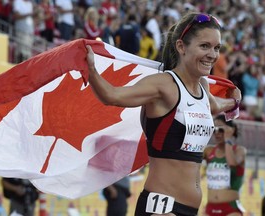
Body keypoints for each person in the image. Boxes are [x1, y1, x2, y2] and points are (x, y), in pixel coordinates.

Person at [86, 12, 242, 216]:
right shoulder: (165, 85)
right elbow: (112, 95)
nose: (213, 54)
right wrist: (91, 69)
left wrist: (233, 102)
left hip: (189, 210)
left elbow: (212, 106)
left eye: (216, 48)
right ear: (181, 47)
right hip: (162, 207)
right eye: (204, 46)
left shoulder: (202, 87)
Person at [202, 115, 246, 215]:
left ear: (231, 130)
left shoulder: (239, 151)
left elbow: (232, 163)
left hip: (230, 209)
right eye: (214, 129)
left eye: (221, 129)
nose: (217, 133)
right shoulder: (208, 151)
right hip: (210, 208)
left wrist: (228, 139)